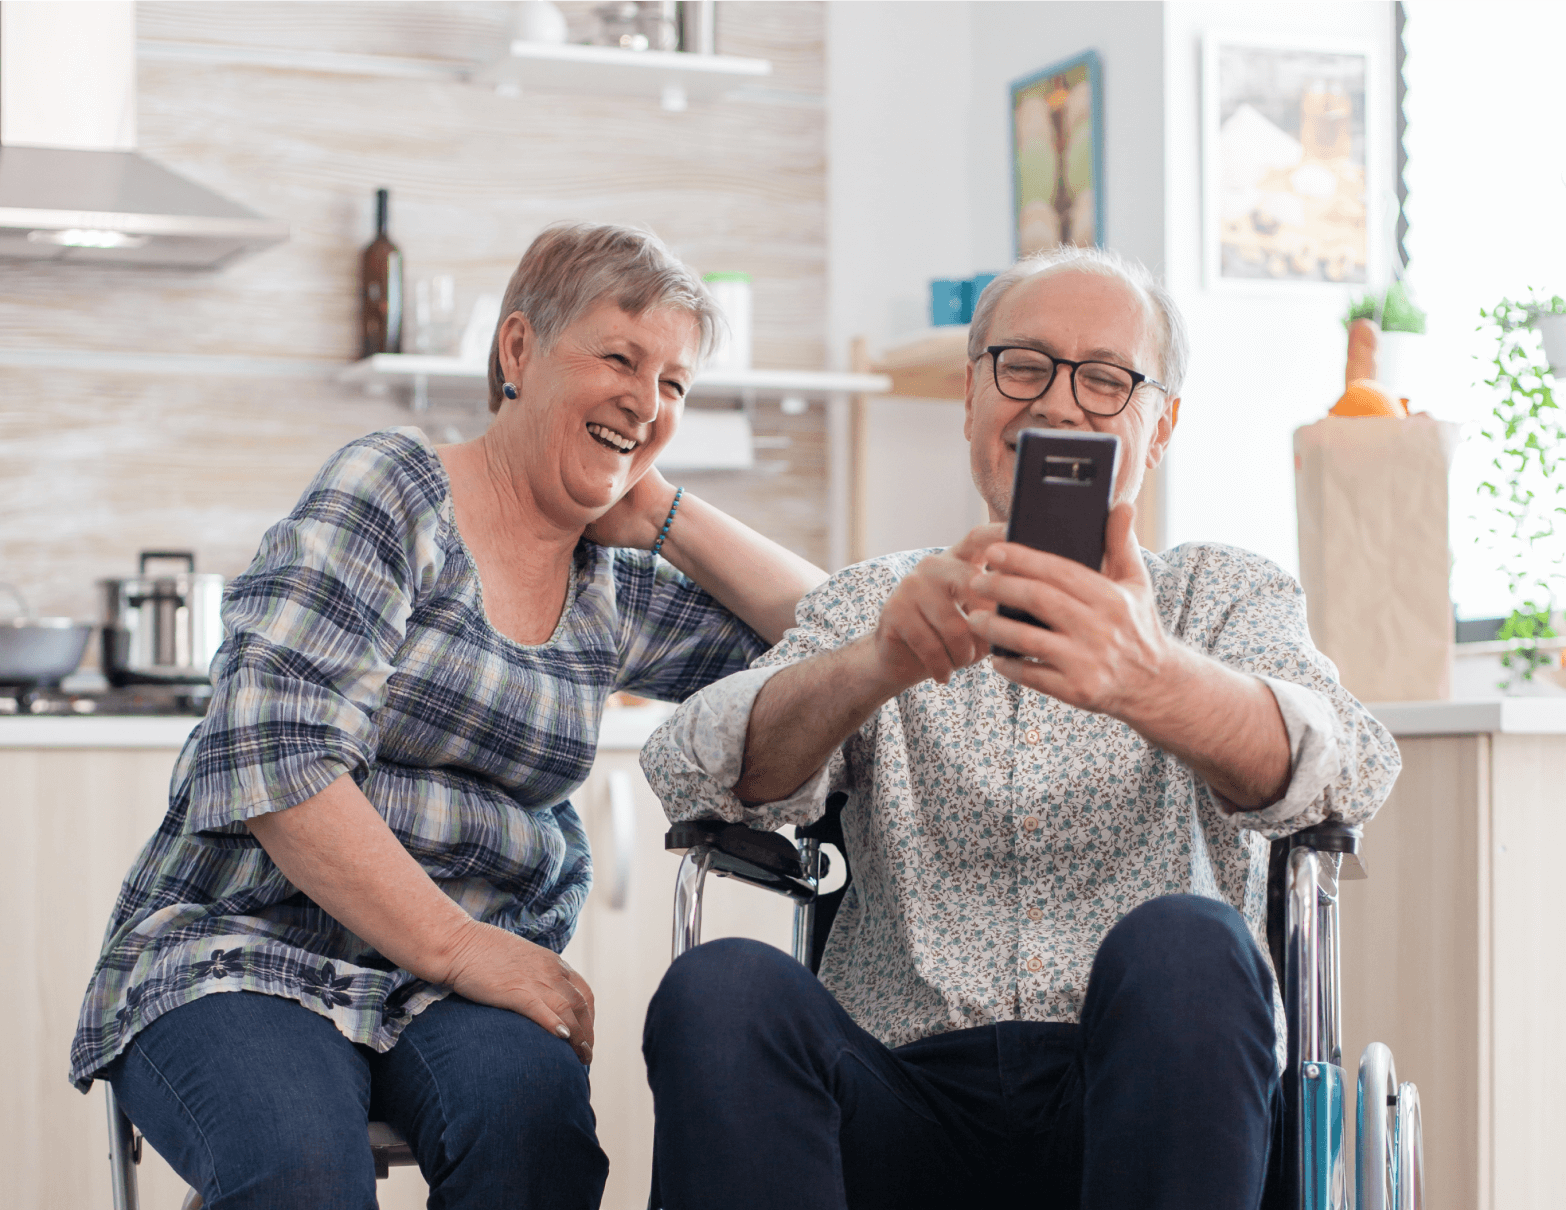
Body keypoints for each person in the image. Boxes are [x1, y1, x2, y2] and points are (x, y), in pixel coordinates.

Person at [70, 222, 826, 1210]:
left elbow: (838, 632)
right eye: (620, 358)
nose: (647, 402)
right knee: (300, 1170)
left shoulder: (612, 584)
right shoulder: (391, 489)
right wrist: (460, 944)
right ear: (519, 350)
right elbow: (282, 763)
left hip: (453, 987)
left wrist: (667, 513)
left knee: (538, 1146)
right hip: (245, 945)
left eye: (675, 385)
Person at [638, 245, 1401, 1210]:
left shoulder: (1222, 594)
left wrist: (1154, 678)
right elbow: (691, 770)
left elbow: (1353, 767)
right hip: (900, 1099)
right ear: (971, 399)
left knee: (1191, 945)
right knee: (721, 989)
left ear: (1160, 427)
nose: (1058, 404)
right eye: (1025, 366)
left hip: (1147, 1095)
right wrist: (878, 662)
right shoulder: (880, 599)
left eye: (1107, 379)